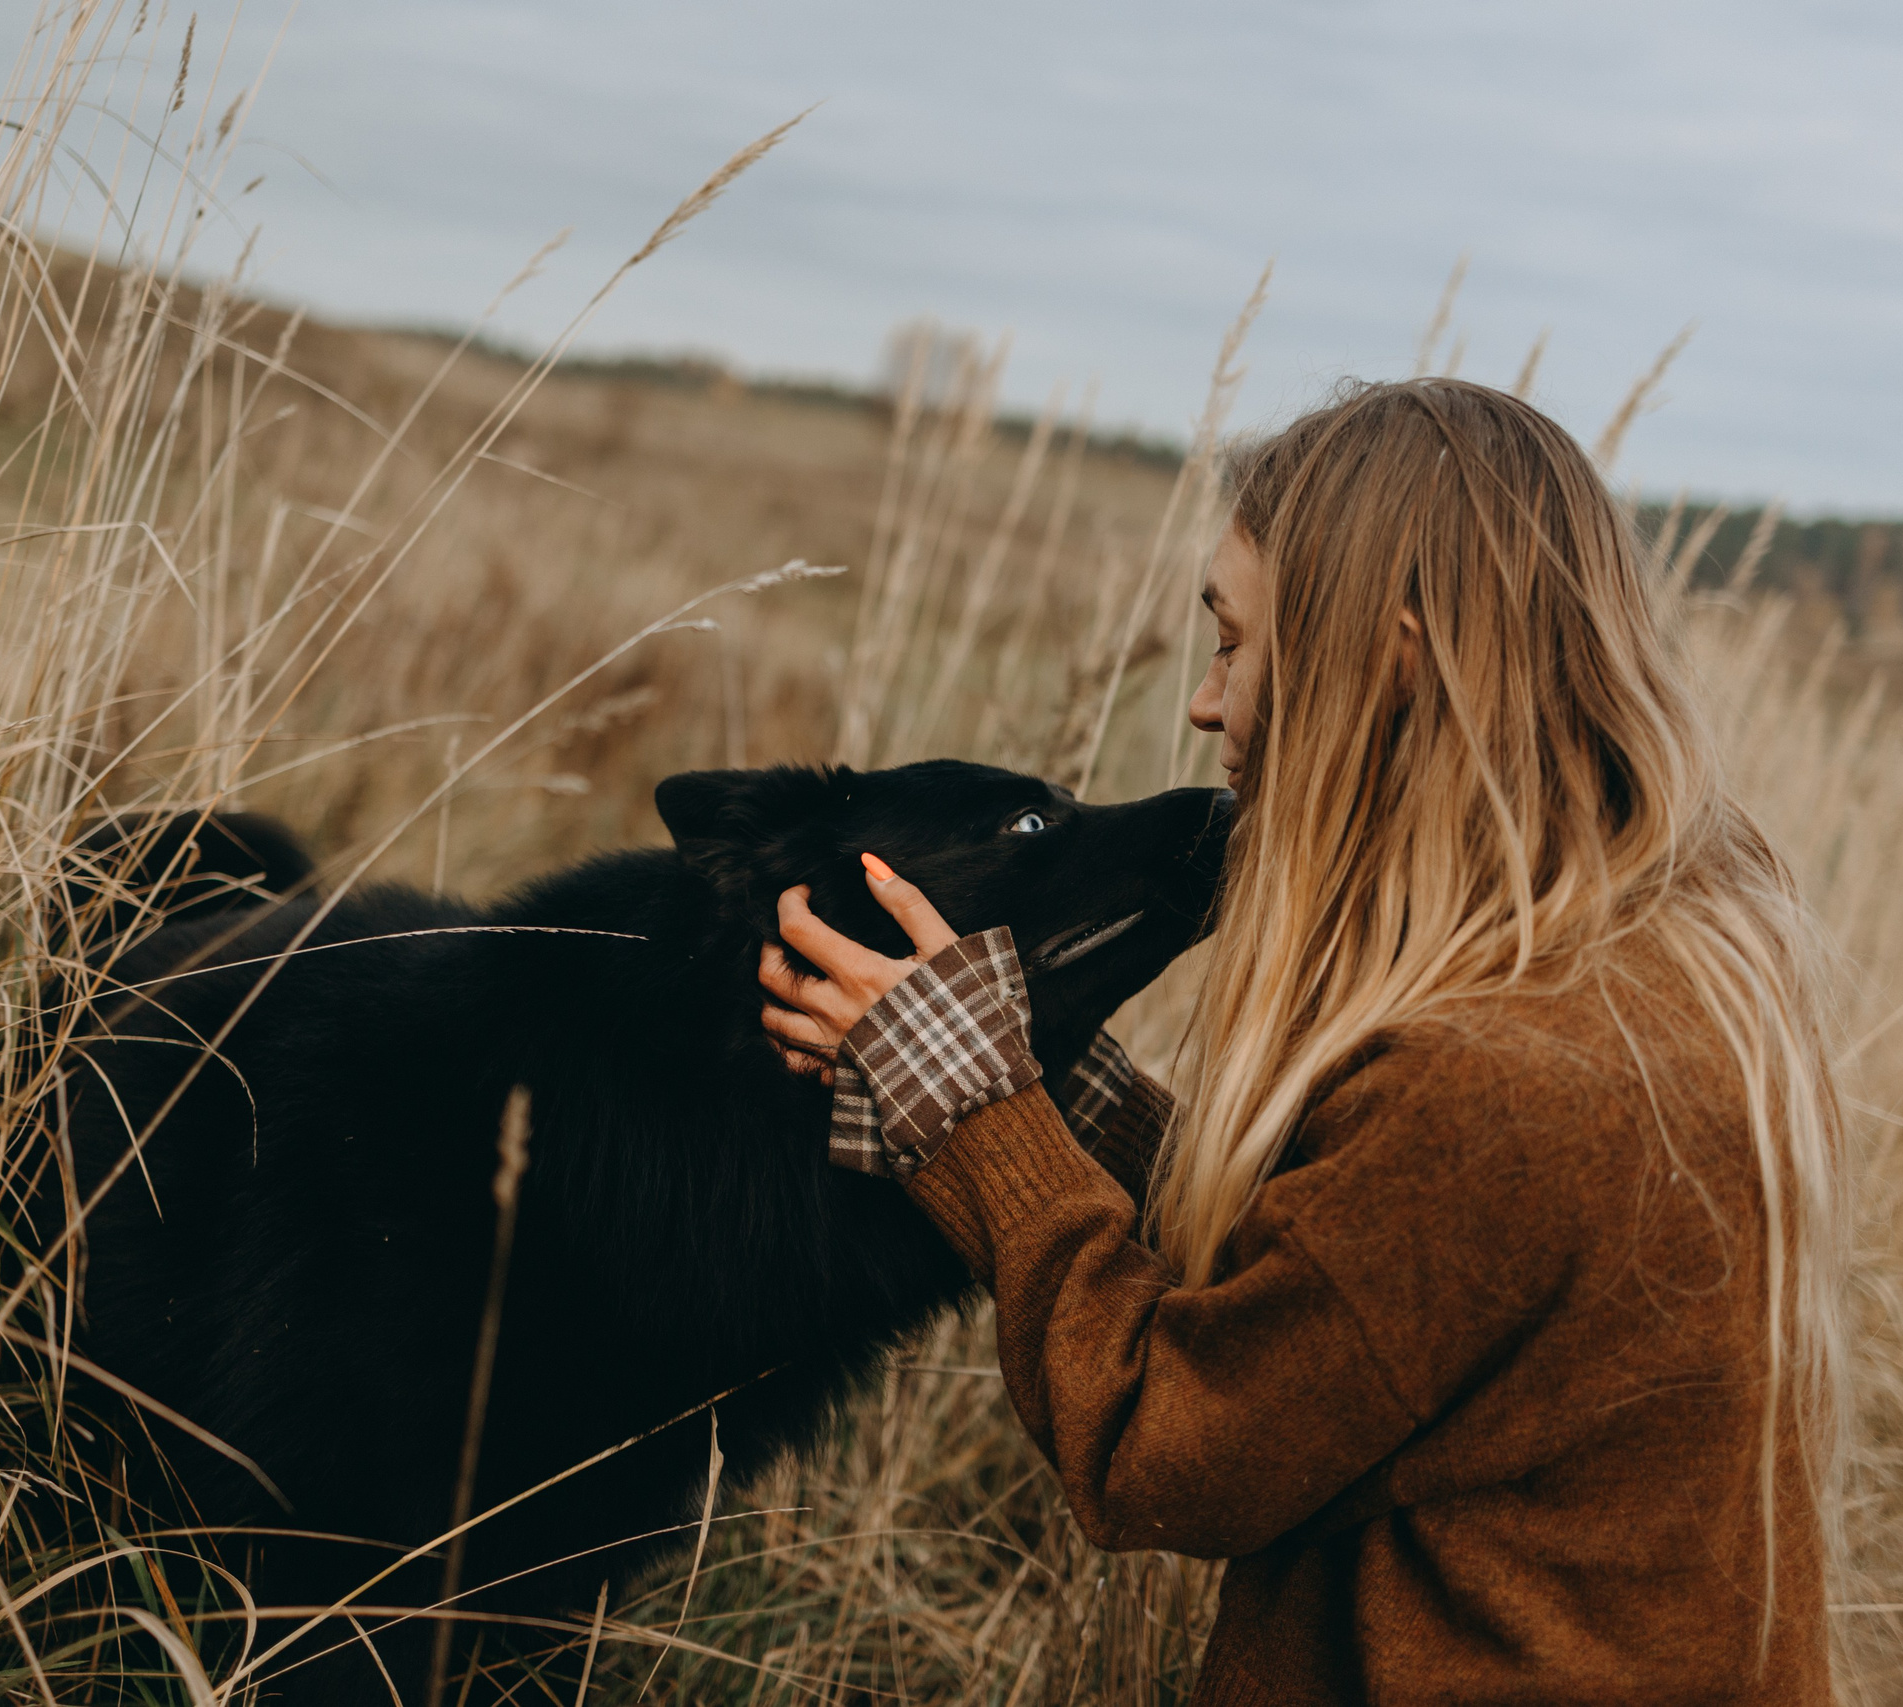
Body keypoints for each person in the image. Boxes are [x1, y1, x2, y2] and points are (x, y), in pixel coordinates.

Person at [757, 377, 1846, 1705]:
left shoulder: (1491, 1086)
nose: (1209, 704)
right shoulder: (1682, 948)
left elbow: (1161, 1443)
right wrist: (1051, 1085)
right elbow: (1361, 1284)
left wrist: (980, 1117)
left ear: (1388, 657)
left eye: (1236, 642)